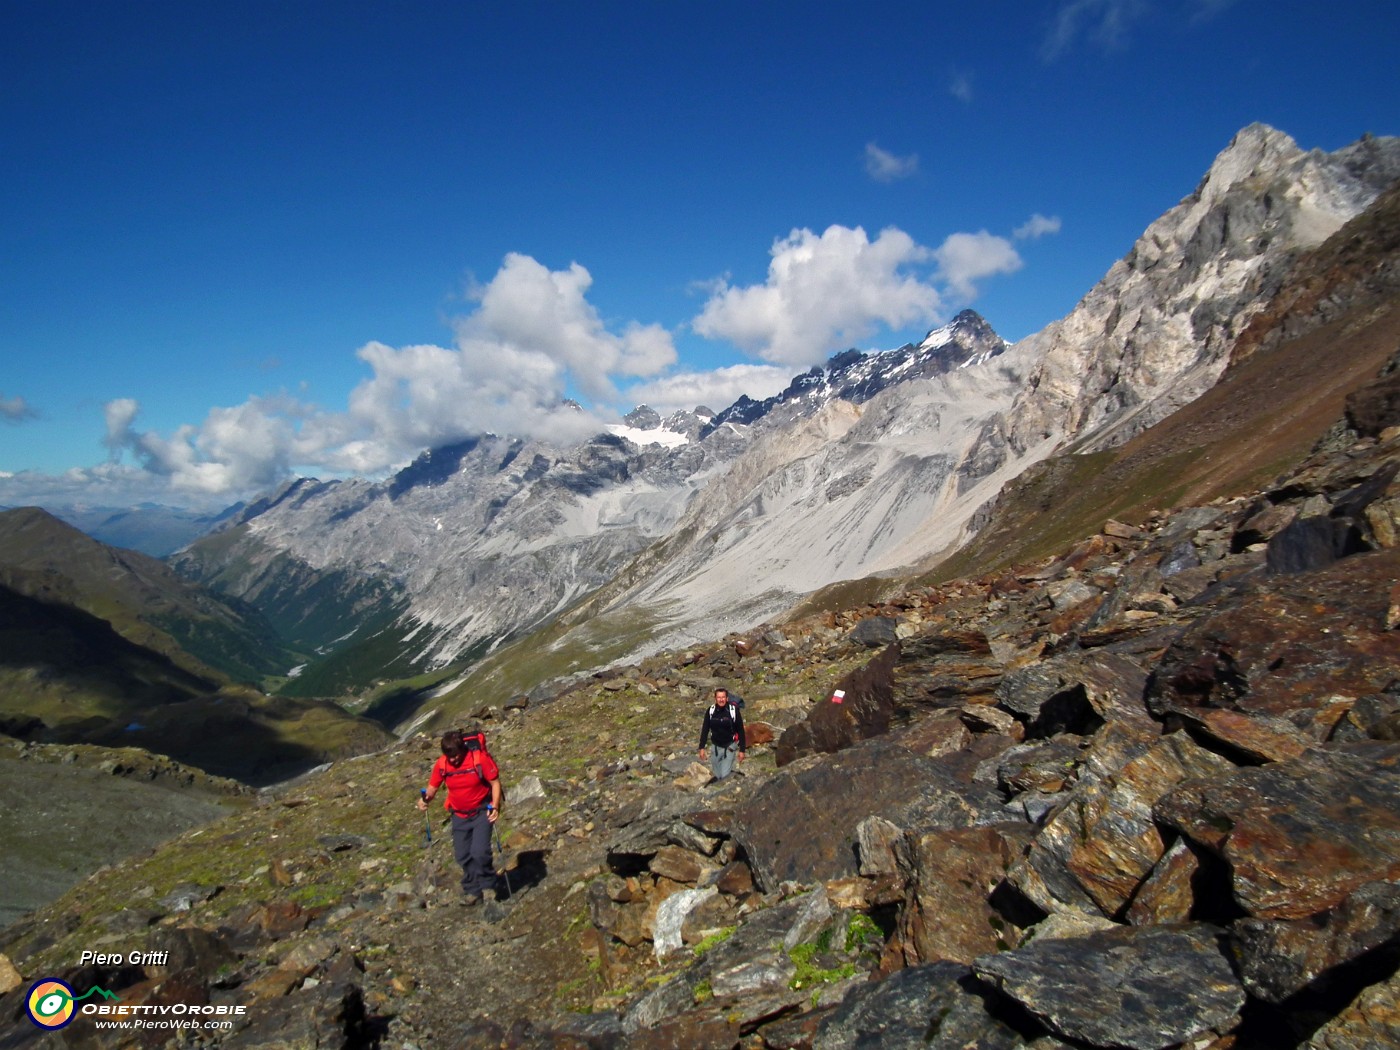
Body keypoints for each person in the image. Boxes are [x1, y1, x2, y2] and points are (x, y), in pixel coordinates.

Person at [418, 729, 503, 905]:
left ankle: (490, 885)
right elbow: (433, 787)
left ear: (462, 749)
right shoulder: (442, 764)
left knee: (479, 852)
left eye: (456, 756)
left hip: (481, 811)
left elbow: (495, 782)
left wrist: (495, 806)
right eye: (450, 757)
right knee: (462, 855)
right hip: (459, 815)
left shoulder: (478, 759)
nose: (453, 760)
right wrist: (425, 798)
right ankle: (473, 891)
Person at [698, 687, 746, 782]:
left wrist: (742, 750)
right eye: (719, 697)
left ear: (727, 698)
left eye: (723, 697)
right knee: (718, 775)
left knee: (724, 776)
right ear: (715, 699)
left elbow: (741, 730)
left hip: (729, 747)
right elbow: (705, 729)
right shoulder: (711, 711)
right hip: (715, 748)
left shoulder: (733, 711)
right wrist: (701, 747)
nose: (721, 699)